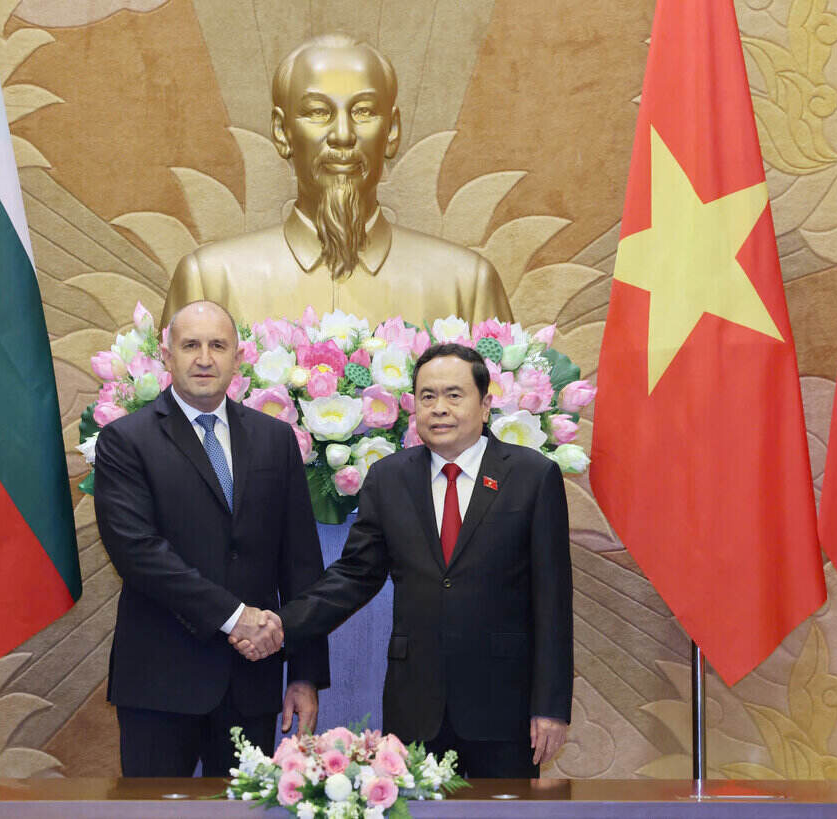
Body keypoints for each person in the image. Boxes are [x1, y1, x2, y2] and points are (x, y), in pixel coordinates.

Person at [237, 344, 572, 778]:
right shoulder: (390, 477)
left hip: (504, 707)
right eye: (427, 396)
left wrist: (551, 707)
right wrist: (284, 625)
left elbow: (553, 601)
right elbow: (356, 574)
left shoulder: (532, 476)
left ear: (486, 404)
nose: (439, 408)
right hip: (416, 704)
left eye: (454, 395)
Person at [93, 300, 329, 776]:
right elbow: (138, 553)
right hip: (160, 683)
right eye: (191, 345)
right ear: (167, 355)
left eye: (217, 345)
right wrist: (234, 618)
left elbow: (300, 562)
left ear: (237, 358)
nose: (204, 358)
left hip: (252, 683)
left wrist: (304, 674)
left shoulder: (275, 439)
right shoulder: (125, 440)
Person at [161, 34, 512, 328]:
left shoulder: (466, 287)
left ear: (391, 131)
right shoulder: (210, 281)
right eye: (318, 112)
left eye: (363, 112)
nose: (342, 135)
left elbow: (502, 410)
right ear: (282, 132)